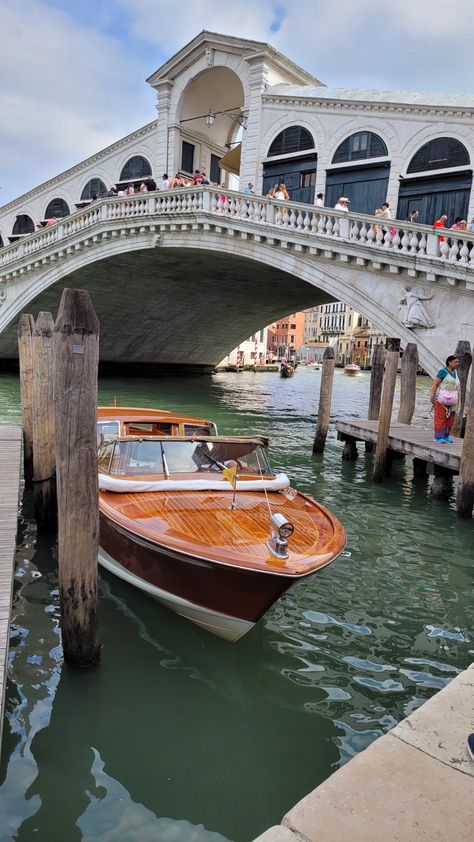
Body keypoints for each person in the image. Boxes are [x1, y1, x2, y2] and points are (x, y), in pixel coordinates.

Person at [429, 355, 460, 443]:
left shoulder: (456, 373)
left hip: (453, 400)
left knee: (450, 418)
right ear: (449, 362)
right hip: (442, 399)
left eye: (458, 362)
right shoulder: (442, 372)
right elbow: (435, 384)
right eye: (455, 362)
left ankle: (446, 436)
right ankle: (438, 437)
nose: (457, 364)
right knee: (440, 417)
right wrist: (432, 396)